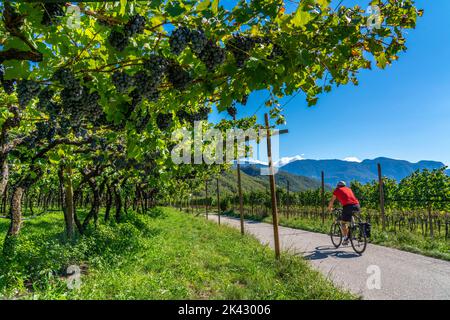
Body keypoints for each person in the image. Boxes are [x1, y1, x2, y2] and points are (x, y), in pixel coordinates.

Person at [328, 181, 360, 245]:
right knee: (350, 214)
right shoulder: (349, 189)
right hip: (357, 205)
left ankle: (345, 239)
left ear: (338, 186)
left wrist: (329, 208)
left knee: (343, 223)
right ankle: (353, 227)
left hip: (347, 207)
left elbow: (332, 200)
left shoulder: (337, 190)